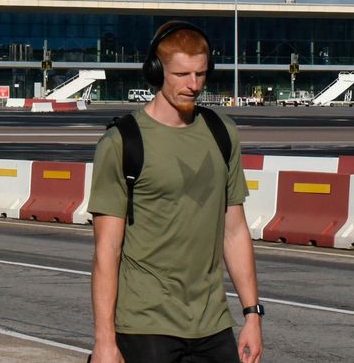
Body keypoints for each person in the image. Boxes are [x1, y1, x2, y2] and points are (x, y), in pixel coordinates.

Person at [87, 21, 262, 363]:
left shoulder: (222, 133)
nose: (193, 85)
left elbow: (235, 230)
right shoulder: (122, 142)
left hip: (212, 322)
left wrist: (252, 314)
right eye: (181, 74)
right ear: (156, 71)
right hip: (145, 323)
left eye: (200, 74)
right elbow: (107, 250)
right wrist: (105, 341)